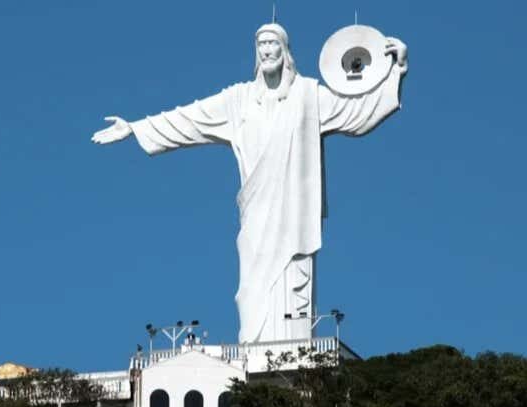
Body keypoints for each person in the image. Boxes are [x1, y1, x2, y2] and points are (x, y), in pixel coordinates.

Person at [92, 23, 408, 344]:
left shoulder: (309, 95)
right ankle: (256, 349)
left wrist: (395, 71)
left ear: (285, 51)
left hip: (293, 216)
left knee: (291, 279)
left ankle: (290, 351)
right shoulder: (238, 100)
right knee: (252, 289)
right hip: (256, 214)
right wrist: (136, 128)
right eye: (261, 45)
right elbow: (189, 118)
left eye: (272, 43)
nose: (267, 50)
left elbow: (356, 114)